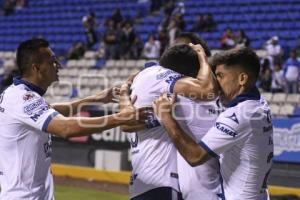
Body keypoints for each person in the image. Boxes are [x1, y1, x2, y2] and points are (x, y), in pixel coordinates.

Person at [0, 38, 147, 199]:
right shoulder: (22, 98)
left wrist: (97, 98)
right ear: (36, 68)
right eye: (52, 62)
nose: (59, 66)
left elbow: (52, 109)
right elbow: (66, 129)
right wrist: (121, 117)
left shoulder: (18, 95)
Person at [153, 47, 274, 200]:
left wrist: (166, 117)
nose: (216, 83)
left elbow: (194, 156)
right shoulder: (260, 104)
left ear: (242, 79)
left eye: (221, 76)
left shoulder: (238, 115)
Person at [120, 41, 219, 200]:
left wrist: (124, 92)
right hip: (164, 181)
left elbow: (125, 124)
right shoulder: (166, 88)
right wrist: (202, 56)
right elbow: (207, 90)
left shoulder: (144, 86)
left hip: (142, 182)